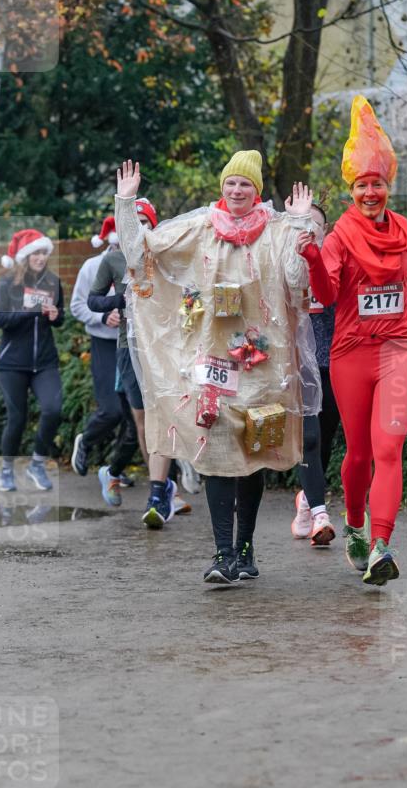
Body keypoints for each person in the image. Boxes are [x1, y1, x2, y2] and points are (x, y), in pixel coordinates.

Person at [115, 151, 320, 583]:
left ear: (257, 190)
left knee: (254, 453)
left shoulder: (279, 229)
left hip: (266, 365)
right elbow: (141, 253)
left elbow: (298, 280)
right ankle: (223, 553)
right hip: (212, 363)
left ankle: (245, 551)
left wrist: (302, 224)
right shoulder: (200, 226)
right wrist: (126, 203)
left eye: (245, 184)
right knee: (216, 451)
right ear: (222, 188)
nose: (237, 190)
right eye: (231, 183)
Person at [298, 96, 407, 586]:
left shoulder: (406, 232)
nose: (370, 192)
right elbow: (329, 293)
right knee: (358, 452)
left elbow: (400, 291)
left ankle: (382, 544)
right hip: (352, 353)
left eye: (376, 183)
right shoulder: (338, 236)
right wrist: (315, 259)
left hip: (399, 347)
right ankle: (355, 527)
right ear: (352, 190)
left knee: (389, 447)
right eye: (362, 185)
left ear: (387, 186)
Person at [87, 201, 192, 519]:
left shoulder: (165, 256)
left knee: (168, 415)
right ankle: (159, 490)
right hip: (127, 348)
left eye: (146, 222)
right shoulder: (114, 258)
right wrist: (119, 301)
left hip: (163, 347)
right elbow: (93, 300)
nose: (140, 228)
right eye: (134, 222)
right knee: (145, 420)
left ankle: (165, 488)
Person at [0, 229, 65, 492]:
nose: (41, 257)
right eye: (36, 253)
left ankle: (37, 463)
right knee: (17, 419)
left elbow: (61, 317)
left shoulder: (53, 282)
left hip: (44, 361)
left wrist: (55, 315)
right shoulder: (9, 284)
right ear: (26, 256)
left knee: (53, 409)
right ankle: (7, 469)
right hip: (12, 363)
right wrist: (26, 313)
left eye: (45, 253)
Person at [70, 216, 139, 493]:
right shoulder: (92, 266)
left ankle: (115, 470)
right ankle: (85, 441)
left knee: (132, 414)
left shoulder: (139, 264)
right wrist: (102, 317)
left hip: (133, 344)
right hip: (104, 344)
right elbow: (77, 306)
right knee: (111, 409)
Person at [290, 200, 339, 547]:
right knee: (308, 439)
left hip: (332, 361)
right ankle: (318, 510)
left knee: (325, 439)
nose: (310, 228)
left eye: (316, 224)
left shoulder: (335, 262)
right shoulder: (285, 263)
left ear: (325, 232)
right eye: (303, 223)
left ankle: (307, 498)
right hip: (297, 365)